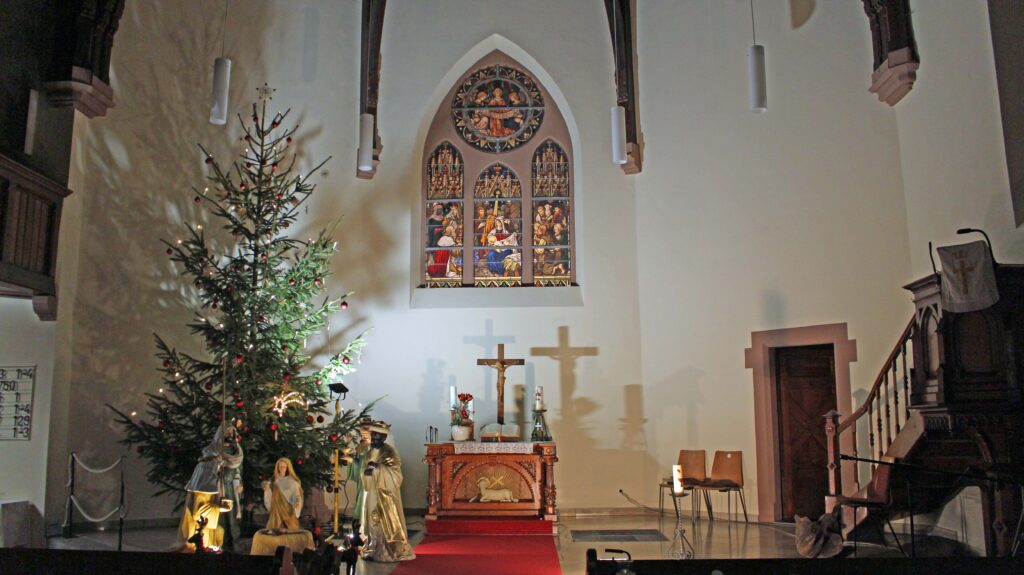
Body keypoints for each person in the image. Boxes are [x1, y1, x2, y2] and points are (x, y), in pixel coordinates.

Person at [359, 420, 415, 562]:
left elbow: (396, 474)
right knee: (372, 522)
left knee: (386, 522)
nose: (375, 440)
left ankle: (389, 550)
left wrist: (378, 469)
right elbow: (363, 471)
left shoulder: (390, 452)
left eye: (378, 438)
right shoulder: (369, 452)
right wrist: (366, 472)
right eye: (373, 437)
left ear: (384, 438)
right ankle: (372, 548)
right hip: (371, 492)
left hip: (385, 495)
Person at [176, 427, 228, 551]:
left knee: (219, 532)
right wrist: (218, 508)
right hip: (199, 526)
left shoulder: (210, 480)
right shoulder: (203, 487)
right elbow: (198, 513)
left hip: (206, 525)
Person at [220, 426, 244, 551]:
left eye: (232, 432)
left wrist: (241, 483)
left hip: (233, 484)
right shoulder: (218, 448)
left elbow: (240, 467)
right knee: (223, 512)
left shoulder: (237, 449)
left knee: (233, 511)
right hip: (222, 484)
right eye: (227, 431)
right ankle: (223, 540)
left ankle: (234, 539)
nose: (230, 433)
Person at [263, 457, 303, 530]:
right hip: (276, 510)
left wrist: (296, 505)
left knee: (289, 529)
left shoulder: (292, 482)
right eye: (280, 466)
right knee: (275, 529)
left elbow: (296, 495)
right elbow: (270, 494)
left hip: (288, 509)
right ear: (277, 467)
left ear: (287, 468)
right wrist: (267, 490)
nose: (282, 468)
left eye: (284, 466)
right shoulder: (274, 481)